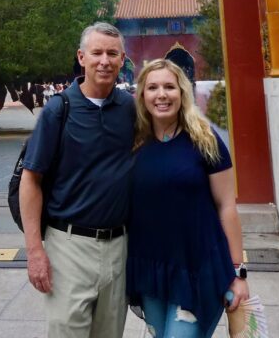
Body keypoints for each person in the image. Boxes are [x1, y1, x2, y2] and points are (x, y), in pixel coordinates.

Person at [20, 22, 136, 337]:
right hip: (69, 245)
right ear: (81, 57)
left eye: (112, 53)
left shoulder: (130, 109)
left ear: (122, 59)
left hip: (118, 247)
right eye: (96, 52)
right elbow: (30, 179)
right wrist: (34, 251)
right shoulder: (60, 109)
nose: (105, 61)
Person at [127, 58, 250, 338]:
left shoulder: (204, 139)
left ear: (182, 93)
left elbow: (227, 206)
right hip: (151, 267)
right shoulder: (134, 142)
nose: (161, 95)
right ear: (142, 95)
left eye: (170, 87)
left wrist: (239, 273)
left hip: (198, 268)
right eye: (153, 87)